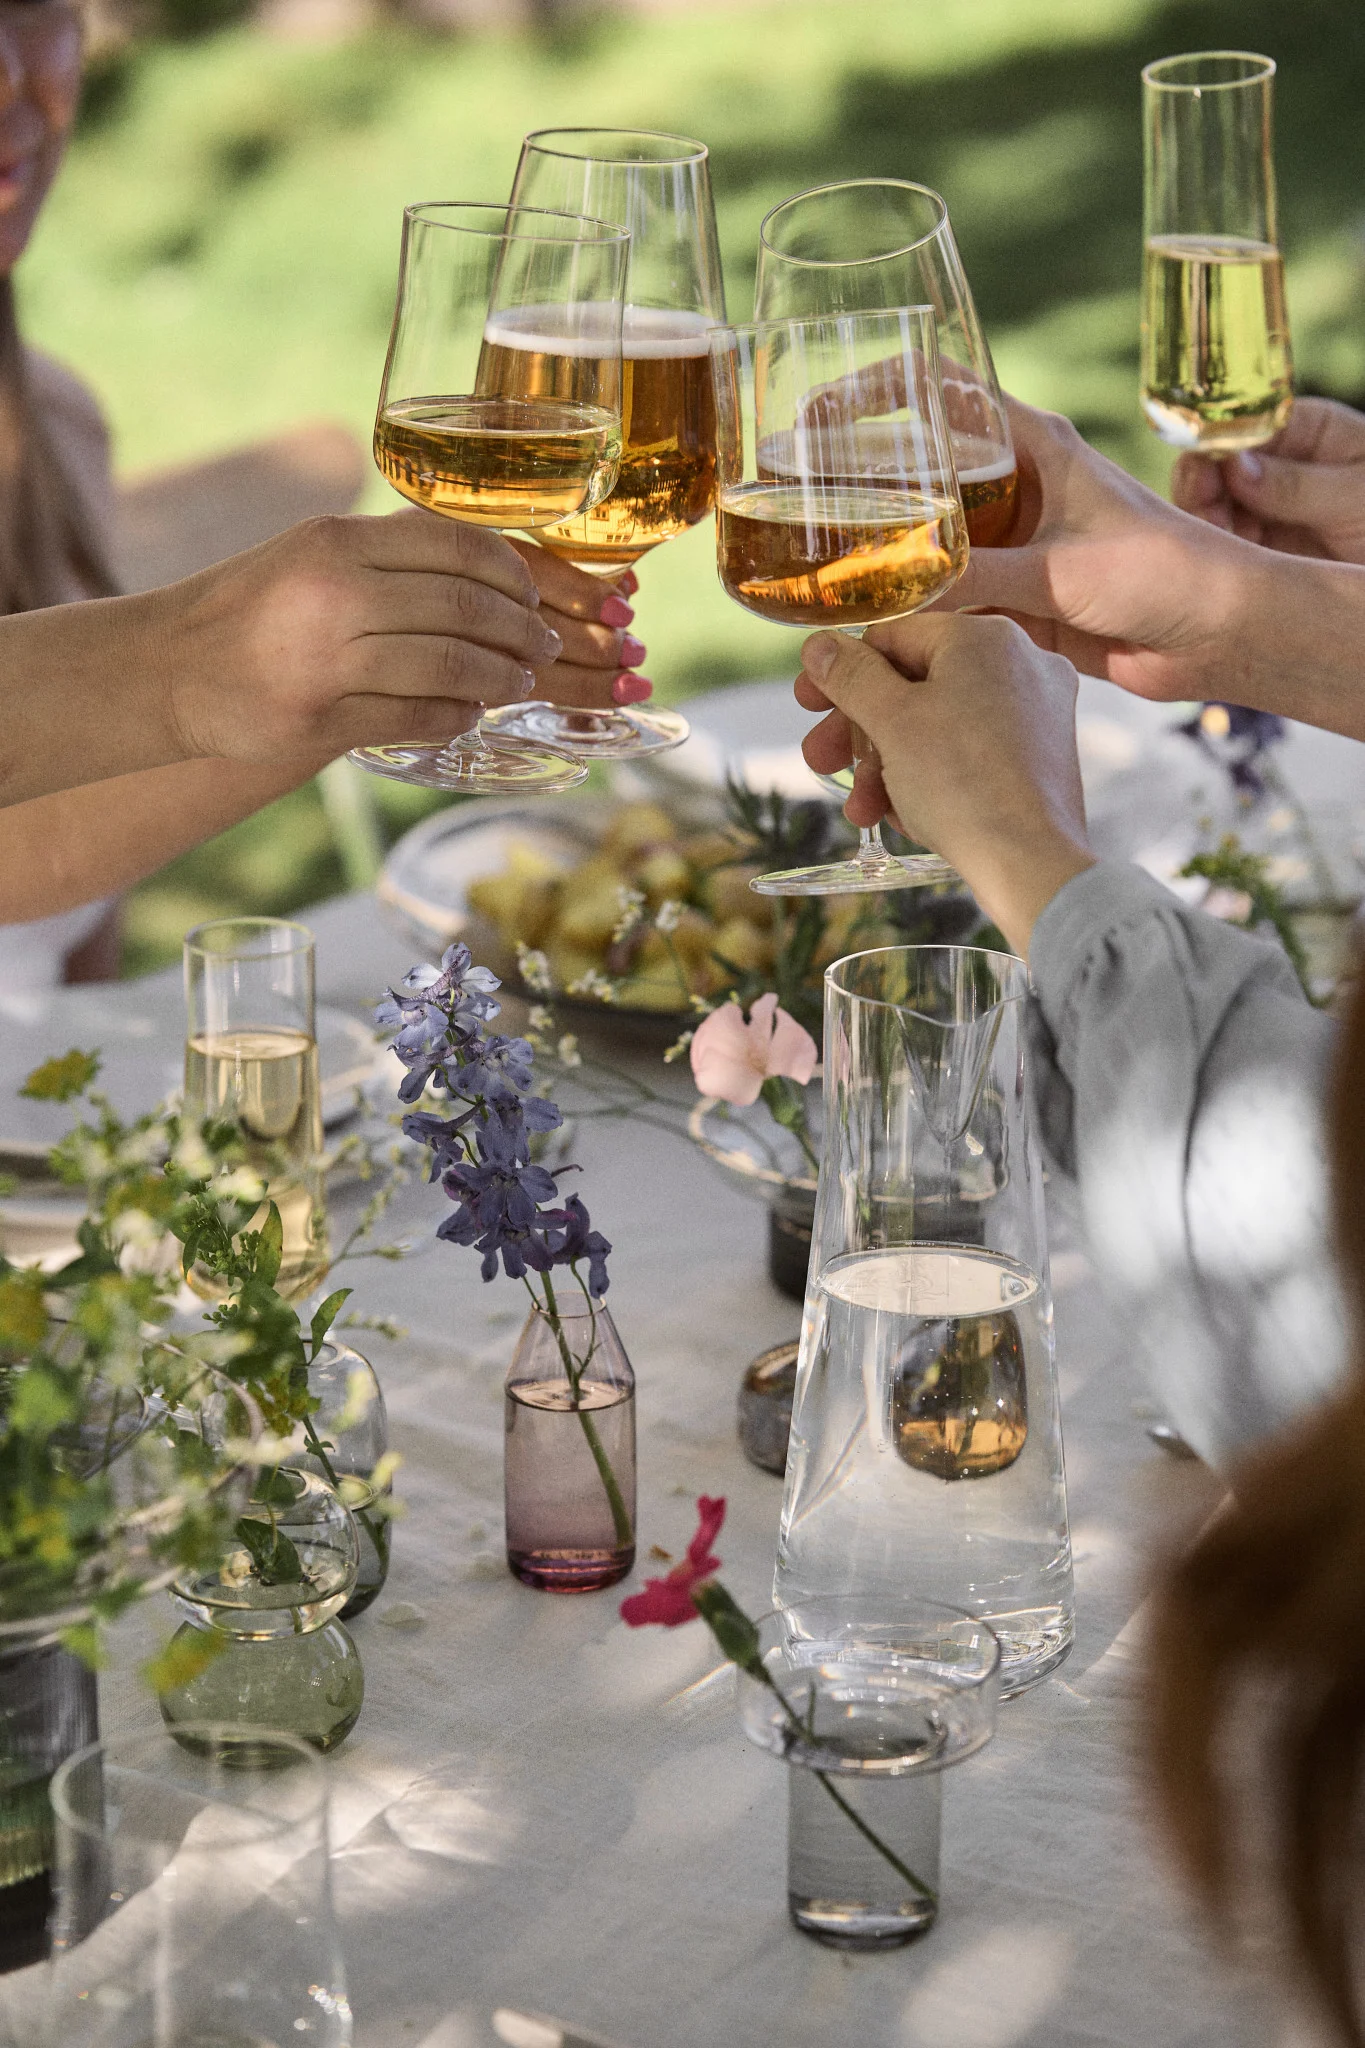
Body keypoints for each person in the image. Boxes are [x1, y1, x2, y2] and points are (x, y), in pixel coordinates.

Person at [0, 0, 648, 936]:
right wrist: (206, 662)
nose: (11, 77)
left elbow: (43, 874)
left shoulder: (49, 426)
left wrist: (377, 671)